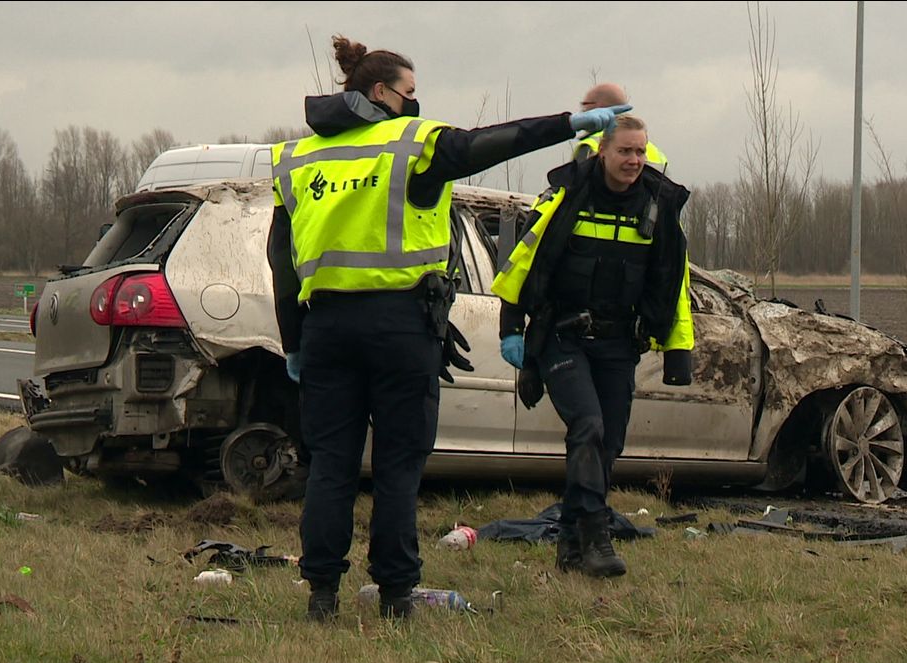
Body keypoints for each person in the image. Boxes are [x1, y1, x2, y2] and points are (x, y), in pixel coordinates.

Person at [267, 34, 633, 621]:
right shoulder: (411, 143)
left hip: (326, 329)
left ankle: (322, 596)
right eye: (410, 93)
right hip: (401, 327)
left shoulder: (297, 157)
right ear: (382, 92)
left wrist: (293, 341)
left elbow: (281, 262)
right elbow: (491, 143)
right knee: (397, 465)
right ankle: (394, 594)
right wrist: (570, 123)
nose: (416, 103)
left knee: (331, 463)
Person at [492, 115, 693, 578]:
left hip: (619, 341)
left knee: (610, 441)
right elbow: (525, 263)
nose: (634, 160)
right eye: (625, 151)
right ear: (603, 151)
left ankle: (568, 540)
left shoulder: (658, 206)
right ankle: (597, 537)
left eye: (641, 152)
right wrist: (511, 328)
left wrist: (678, 348)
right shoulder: (569, 198)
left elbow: (672, 283)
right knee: (589, 425)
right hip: (562, 337)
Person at [573, 83, 669, 175]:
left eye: (586, 104)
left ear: (601, 107)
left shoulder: (589, 145)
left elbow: (576, 184)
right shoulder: (655, 152)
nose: (583, 110)